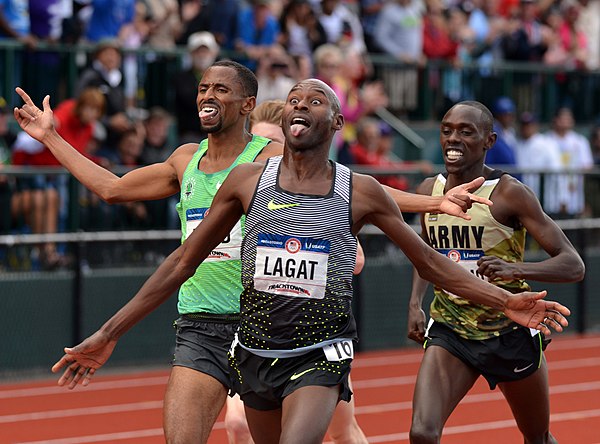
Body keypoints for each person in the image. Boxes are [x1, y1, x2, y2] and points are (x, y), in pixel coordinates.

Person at [25, 80, 573, 443]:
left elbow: (432, 263)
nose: (301, 105)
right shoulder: (246, 182)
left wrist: (506, 299)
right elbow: (181, 262)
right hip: (254, 349)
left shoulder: (358, 190)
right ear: (281, 115)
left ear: (336, 124)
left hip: (320, 354)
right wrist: (108, 331)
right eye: (294, 98)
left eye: (316, 101)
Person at [406, 101, 585, 444]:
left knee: (537, 437)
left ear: (489, 141)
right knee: (422, 434)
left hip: (510, 330)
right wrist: (415, 302)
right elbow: (428, 255)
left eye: (465, 131)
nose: (453, 139)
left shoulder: (508, 193)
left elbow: (573, 263)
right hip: (451, 328)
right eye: (446, 130)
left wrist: (515, 267)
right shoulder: (428, 190)